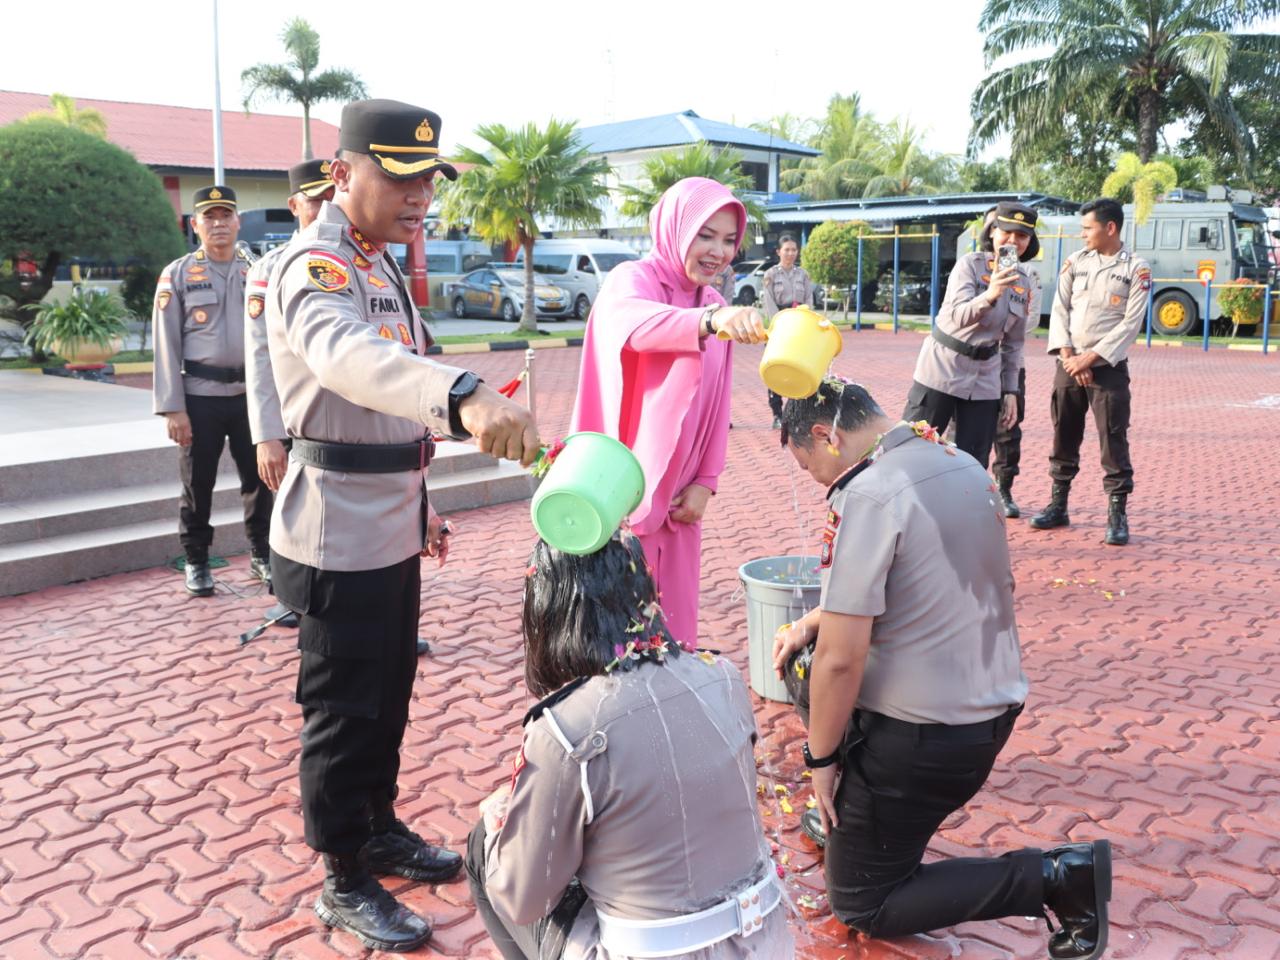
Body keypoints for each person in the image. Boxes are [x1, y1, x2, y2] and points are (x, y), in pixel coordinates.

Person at [264, 98, 542, 953]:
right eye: (399, 175)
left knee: (388, 693)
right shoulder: (315, 266)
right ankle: (342, 875)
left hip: (386, 520)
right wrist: (462, 396)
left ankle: (377, 827)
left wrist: (423, 507)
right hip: (334, 530)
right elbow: (352, 360)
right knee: (343, 708)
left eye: (428, 178)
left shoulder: (378, 263)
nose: (420, 194)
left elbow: (392, 406)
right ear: (343, 173)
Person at [771, 379, 1112, 960]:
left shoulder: (870, 493)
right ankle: (856, 813)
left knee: (864, 905)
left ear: (827, 437)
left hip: (924, 743)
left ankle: (1059, 877)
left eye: (810, 468)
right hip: (988, 711)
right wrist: (818, 616)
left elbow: (842, 659)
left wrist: (820, 762)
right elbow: (923, 573)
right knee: (803, 649)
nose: (818, 483)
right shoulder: (960, 463)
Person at [467, 532, 794, 960]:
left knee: (483, 848)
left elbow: (522, 899)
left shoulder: (563, 729)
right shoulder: (723, 676)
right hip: (762, 942)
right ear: (643, 597)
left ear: (547, 612)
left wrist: (498, 827)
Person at [570, 177, 767, 649]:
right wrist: (706, 324)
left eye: (727, 240)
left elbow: (719, 404)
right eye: (705, 234)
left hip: (679, 504)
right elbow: (633, 326)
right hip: (615, 496)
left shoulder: (714, 303)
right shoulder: (633, 280)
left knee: (674, 633)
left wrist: (706, 482)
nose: (718, 252)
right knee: (613, 638)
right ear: (676, 228)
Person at [153, 186, 271, 597]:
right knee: (197, 484)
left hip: (250, 397)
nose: (219, 224)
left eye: (226, 216)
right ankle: (197, 561)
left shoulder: (257, 270)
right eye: (209, 217)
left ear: (238, 222)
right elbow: (165, 342)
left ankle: (262, 555)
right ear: (195, 224)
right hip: (199, 397)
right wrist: (172, 408)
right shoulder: (179, 274)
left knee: (260, 479)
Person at [1029, 197, 1149, 546]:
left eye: (1088, 228)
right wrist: (1069, 356)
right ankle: (1058, 505)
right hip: (1068, 363)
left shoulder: (1135, 269)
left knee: (1113, 439)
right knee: (1063, 433)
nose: (1082, 235)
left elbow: (1130, 325)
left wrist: (1089, 359)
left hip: (1108, 369)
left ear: (1109, 228)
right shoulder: (1075, 262)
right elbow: (1060, 309)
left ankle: (1116, 514)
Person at [902, 202, 1039, 470]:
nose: (1013, 240)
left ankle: (962, 510)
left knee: (974, 461)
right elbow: (958, 317)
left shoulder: (1023, 282)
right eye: (1006, 232)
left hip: (985, 378)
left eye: (1022, 236)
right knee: (911, 450)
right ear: (992, 232)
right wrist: (990, 294)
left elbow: (1013, 344)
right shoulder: (970, 266)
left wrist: (1011, 390)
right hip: (942, 368)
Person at [761, 235, 814, 429]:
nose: (791, 253)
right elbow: (768, 303)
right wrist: (780, 326)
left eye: (794, 250)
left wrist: (804, 320)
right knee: (776, 370)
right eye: (787, 250)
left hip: (799, 326)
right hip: (779, 327)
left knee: (798, 370)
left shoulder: (803, 275)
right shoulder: (770, 275)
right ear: (778, 252)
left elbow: (809, 299)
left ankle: (794, 412)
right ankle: (777, 413)